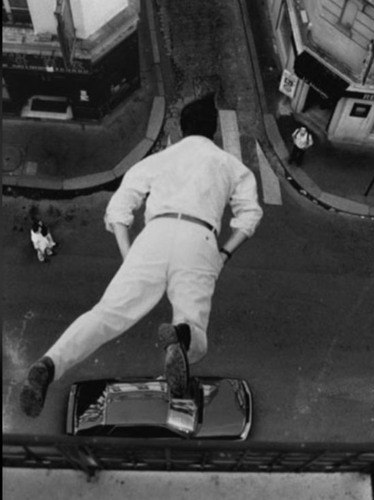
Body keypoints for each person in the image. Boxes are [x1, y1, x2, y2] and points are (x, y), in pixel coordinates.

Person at [20, 94, 264, 418]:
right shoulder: (231, 166)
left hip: (154, 235)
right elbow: (250, 216)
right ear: (214, 131)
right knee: (195, 329)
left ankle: (50, 363)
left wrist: (129, 254)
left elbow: (119, 210)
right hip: (200, 237)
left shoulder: (158, 160)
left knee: (105, 315)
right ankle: (181, 336)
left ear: (181, 129)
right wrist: (223, 254)